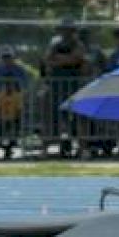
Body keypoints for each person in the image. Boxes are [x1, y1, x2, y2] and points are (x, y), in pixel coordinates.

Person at [44, 17, 87, 157]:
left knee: (78, 117)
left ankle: (82, 149)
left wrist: (60, 60)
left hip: (74, 86)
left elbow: (76, 58)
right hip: (57, 87)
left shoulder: (78, 44)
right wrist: (64, 60)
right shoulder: (54, 44)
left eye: (69, 30)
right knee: (56, 117)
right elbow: (48, 60)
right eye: (64, 30)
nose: (66, 33)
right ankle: (51, 148)